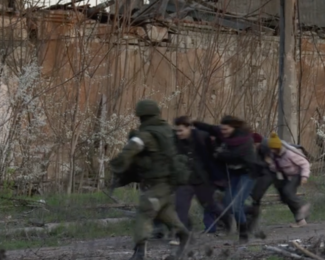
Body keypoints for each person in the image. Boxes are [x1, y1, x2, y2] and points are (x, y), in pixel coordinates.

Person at [109, 99, 189, 260]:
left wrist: (115, 165)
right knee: (164, 214)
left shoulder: (146, 135)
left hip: (156, 183)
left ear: (141, 116)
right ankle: (183, 235)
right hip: (169, 182)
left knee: (144, 213)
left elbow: (130, 150)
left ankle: (140, 252)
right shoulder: (167, 131)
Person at [193, 115, 260, 242]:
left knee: (236, 205)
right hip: (234, 174)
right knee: (227, 204)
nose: (223, 132)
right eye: (222, 129)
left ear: (234, 128)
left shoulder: (244, 140)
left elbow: (230, 156)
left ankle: (243, 234)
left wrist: (215, 147)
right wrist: (194, 123)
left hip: (248, 173)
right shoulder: (223, 133)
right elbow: (210, 128)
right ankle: (251, 210)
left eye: (226, 129)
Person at [172, 116, 228, 235]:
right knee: (180, 205)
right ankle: (182, 234)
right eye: (177, 131)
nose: (178, 133)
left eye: (181, 130)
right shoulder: (175, 140)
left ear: (189, 128)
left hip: (202, 179)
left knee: (210, 205)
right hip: (185, 179)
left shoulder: (202, 137)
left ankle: (229, 221)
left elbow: (213, 155)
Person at [257, 132, 313, 228]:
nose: (272, 151)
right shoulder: (274, 155)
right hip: (287, 176)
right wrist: (269, 163)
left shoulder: (289, 154)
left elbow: (305, 163)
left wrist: (304, 176)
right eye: (271, 149)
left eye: (274, 149)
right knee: (287, 197)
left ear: (278, 147)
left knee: (288, 191)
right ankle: (301, 221)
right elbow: (275, 168)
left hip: (297, 174)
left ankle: (303, 206)